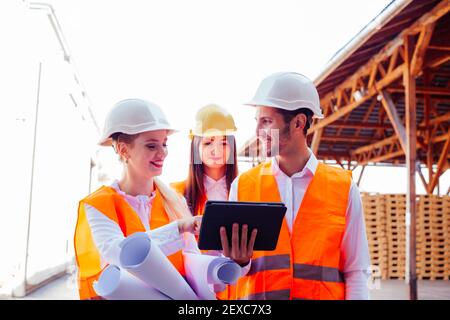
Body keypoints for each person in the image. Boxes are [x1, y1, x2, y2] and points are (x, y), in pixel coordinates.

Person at [73, 99, 254, 300]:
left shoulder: (174, 201)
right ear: (124, 150)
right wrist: (178, 228)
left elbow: (196, 269)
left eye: (164, 144)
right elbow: (120, 255)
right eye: (151, 146)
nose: (162, 153)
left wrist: (238, 264)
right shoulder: (98, 205)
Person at [228, 72, 371, 300]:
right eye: (257, 121)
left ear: (298, 123)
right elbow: (232, 276)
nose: (257, 132)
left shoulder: (343, 187)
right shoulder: (243, 186)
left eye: (266, 121)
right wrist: (240, 261)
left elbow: (356, 271)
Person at [171, 104, 254, 299]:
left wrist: (242, 262)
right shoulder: (175, 194)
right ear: (196, 146)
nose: (216, 150)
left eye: (224, 143)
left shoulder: (247, 191)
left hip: (238, 296)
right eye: (208, 142)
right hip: (193, 296)